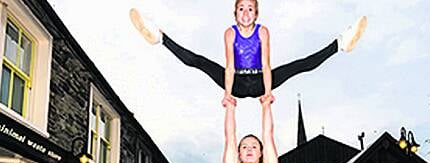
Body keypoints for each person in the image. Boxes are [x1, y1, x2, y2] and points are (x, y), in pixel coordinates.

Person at [129, 0, 367, 105]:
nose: (246, 12)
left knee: (299, 65)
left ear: (256, 14)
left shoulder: (262, 32)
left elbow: (265, 63)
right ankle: (159, 37)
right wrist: (228, 94)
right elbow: (230, 65)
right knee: (200, 62)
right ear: (236, 14)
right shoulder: (230, 33)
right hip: (237, 83)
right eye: (241, 8)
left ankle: (340, 44)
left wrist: (267, 93)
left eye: (250, 8)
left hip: (261, 79)